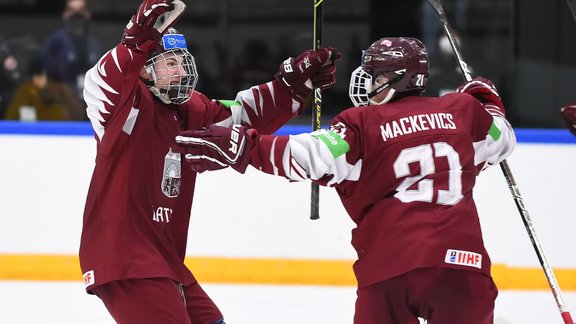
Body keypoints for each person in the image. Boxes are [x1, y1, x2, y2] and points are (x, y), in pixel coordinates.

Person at [175, 37, 517, 324]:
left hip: (390, 269)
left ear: (396, 77)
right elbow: (501, 139)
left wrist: (245, 147)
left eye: (373, 75)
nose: (365, 81)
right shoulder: (462, 110)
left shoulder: (363, 122)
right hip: (463, 267)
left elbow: (309, 155)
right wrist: (486, 99)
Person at [78, 0, 339, 323]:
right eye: (168, 63)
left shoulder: (191, 110)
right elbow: (100, 83)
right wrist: (133, 41)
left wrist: (292, 88)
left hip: (165, 261)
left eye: (181, 61)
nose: (181, 70)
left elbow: (242, 117)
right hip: (125, 259)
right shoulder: (126, 107)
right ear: (145, 69)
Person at [44, 0, 102, 101]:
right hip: (61, 105)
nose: (76, 15)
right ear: (65, 14)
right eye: (72, 10)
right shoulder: (56, 41)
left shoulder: (94, 44)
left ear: (88, 14)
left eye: (81, 10)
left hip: (89, 104)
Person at [5, 55, 83, 121]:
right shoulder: (27, 91)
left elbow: (75, 115)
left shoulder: (60, 91)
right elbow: (12, 117)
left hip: (60, 133)